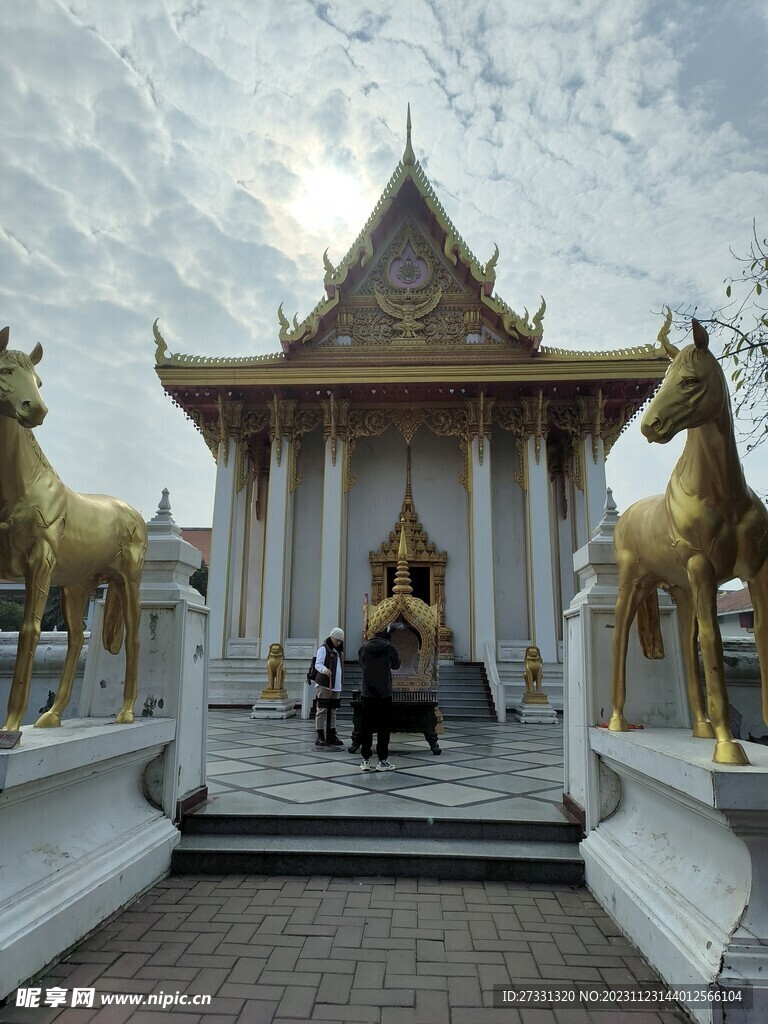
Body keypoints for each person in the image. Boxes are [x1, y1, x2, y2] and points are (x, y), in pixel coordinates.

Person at [357, 626, 401, 771]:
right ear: (387, 638)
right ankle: (382, 761)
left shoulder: (364, 648)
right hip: (384, 693)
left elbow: (361, 664)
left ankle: (365, 760)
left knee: (366, 727)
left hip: (367, 693)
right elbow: (396, 665)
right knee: (383, 728)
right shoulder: (389, 648)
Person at [314, 627, 344, 748]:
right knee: (321, 710)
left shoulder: (338, 651)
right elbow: (318, 664)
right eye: (337, 640)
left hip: (335, 686)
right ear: (332, 637)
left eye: (341, 641)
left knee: (333, 710)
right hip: (325, 685)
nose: (339, 643)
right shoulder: (323, 649)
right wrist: (325, 670)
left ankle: (332, 733)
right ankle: (320, 735)